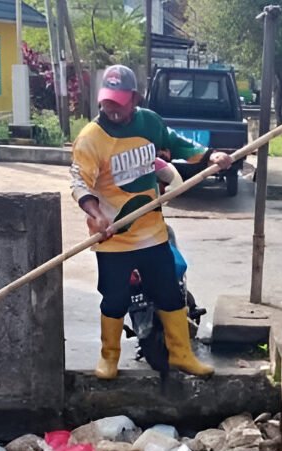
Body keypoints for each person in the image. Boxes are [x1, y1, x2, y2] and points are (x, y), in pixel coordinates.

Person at [70, 64, 232, 380]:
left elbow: (177, 142)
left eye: (118, 101)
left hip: (152, 233)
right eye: (107, 101)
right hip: (113, 237)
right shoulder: (91, 138)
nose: (111, 108)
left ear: (134, 98)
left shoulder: (149, 123)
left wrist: (211, 155)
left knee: (170, 294)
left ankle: (182, 354)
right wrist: (96, 213)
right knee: (114, 299)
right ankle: (109, 358)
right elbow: (80, 182)